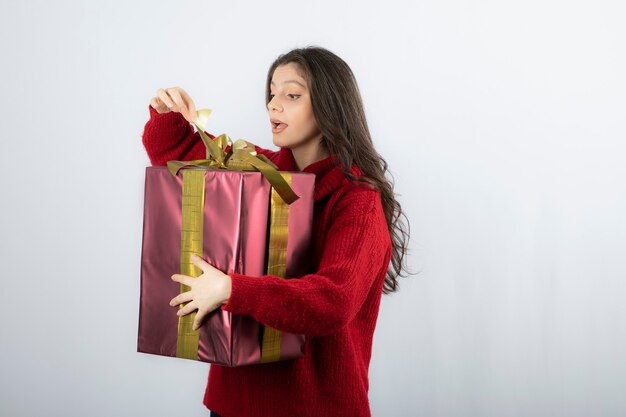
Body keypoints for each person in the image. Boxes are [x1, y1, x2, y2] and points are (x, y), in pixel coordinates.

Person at [141, 46, 410, 417]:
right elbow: (179, 155)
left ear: (331, 106)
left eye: (292, 95)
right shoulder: (257, 171)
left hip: (314, 409)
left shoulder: (357, 201)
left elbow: (333, 301)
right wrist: (169, 115)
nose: (273, 105)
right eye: (271, 93)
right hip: (231, 406)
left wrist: (231, 289)